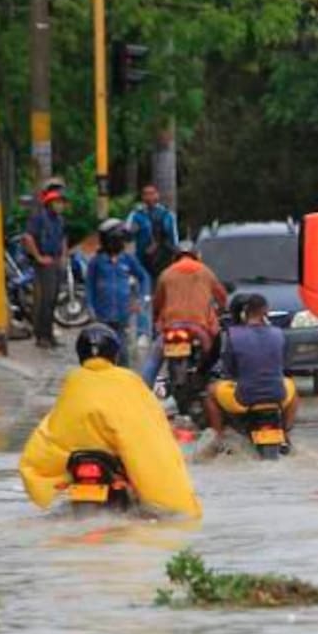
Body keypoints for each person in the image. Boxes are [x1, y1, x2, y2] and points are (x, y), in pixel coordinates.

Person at [18, 324, 202, 518]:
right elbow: (147, 422)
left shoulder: (73, 381)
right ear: (114, 353)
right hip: (113, 460)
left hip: (76, 459)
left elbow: (55, 425)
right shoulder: (128, 380)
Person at [202, 294, 298, 446]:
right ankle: (286, 433)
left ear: (244, 313)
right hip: (278, 395)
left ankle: (217, 438)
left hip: (244, 397)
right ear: (265, 311)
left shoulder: (233, 335)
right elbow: (285, 366)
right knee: (293, 389)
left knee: (210, 393)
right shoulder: (278, 334)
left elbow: (230, 370)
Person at [140, 242, 227, 388]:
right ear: (196, 256)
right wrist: (220, 311)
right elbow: (222, 298)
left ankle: (142, 390)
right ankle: (216, 387)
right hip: (200, 329)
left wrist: (156, 320)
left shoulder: (166, 274)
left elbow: (157, 303)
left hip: (171, 328)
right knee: (214, 360)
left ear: (175, 257)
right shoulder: (205, 272)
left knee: (154, 359)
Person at [85, 218, 151, 368]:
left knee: (123, 354)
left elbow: (143, 277)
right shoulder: (97, 262)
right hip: (102, 315)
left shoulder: (127, 259)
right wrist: (90, 308)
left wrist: (141, 299)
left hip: (122, 315)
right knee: (102, 352)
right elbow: (89, 286)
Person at [127, 184, 179, 340]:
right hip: (142, 262)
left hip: (163, 262)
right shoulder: (136, 215)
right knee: (144, 296)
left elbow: (174, 240)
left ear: (158, 195)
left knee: (162, 297)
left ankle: (160, 330)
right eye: (146, 194)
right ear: (142, 197)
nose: (149, 197)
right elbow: (127, 236)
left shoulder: (167, 215)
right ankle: (142, 332)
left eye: (152, 193)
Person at [22, 179, 68, 349]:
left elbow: (63, 238)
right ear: (49, 202)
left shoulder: (60, 219)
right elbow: (27, 237)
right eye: (57, 202)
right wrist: (39, 257)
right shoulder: (39, 217)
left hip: (55, 261)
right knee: (45, 301)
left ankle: (49, 335)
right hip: (45, 263)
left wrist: (63, 256)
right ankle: (42, 336)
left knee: (54, 300)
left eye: (62, 202)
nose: (60, 205)